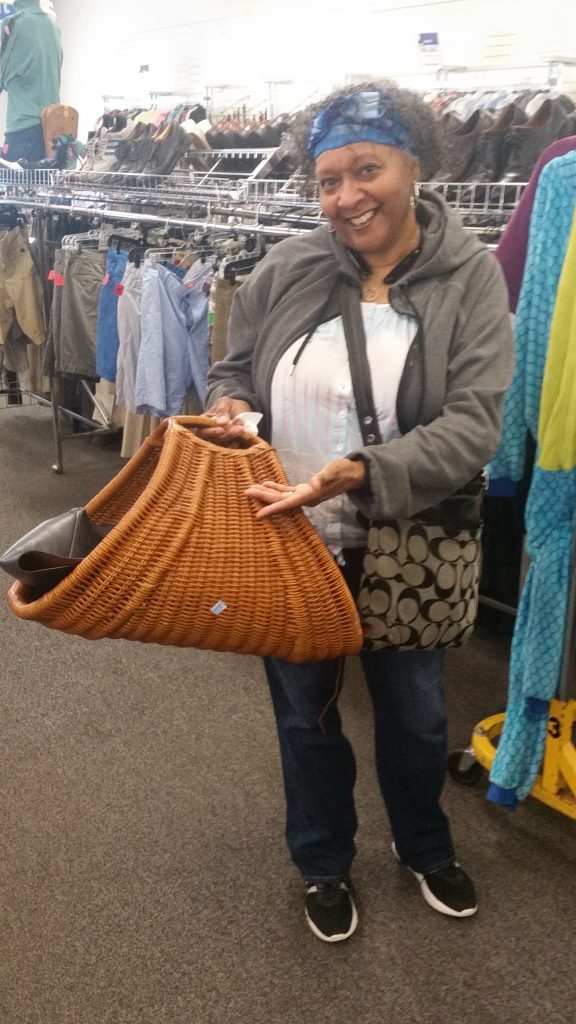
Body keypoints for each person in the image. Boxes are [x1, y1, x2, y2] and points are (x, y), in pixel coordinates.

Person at [203, 81, 514, 942]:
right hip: (290, 531)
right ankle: (322, 859)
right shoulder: (289, 266)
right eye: (327, 180)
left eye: (365, 170)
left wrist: (357, 472)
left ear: (416, 165)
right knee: (304, 714)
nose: (345, 198)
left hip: (408, 538)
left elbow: (474, 422)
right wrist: (229, 408)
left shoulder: (470, 276)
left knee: (414, 715)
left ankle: (422, 844)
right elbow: (231, 369)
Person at [0, 0, 62, 163]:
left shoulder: (12, 24)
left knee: (14, 186)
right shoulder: (54, 28)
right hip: (53, 128)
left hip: (22, 127)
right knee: (44, 186)